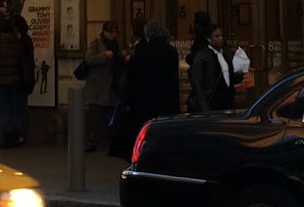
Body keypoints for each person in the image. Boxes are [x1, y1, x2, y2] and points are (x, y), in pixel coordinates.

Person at [118, 20, 179, 157]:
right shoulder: (171, 51)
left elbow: (134, 74)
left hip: (145, 97)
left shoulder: (143, 49)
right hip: (166, 98)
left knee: (146, 130)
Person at [0, 15, 33, 148]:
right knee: (15, 110)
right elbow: (23, 61)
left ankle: (8, 138)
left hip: (2, 81)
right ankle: (16, 137)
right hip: (15, 80)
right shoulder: (18, 43)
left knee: (5, 111)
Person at [82, 20, 125, 152]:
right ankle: (92, 141)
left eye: (115, 33)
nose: (114, 35)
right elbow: (88, 59)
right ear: (105, 32)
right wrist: (104, 56)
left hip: (112, 85)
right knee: (95, 115)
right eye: (111, 33)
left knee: (111, 115)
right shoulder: (96, 43)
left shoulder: (116, 44)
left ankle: (111, 140)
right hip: (98, 86)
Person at [189, 23, 236, 112]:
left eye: (222, 36)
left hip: (227, 99)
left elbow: (229, 76)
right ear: (209, 39)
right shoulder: (202, 57)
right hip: (211, 100)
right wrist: (204, 106)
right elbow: (196, 83)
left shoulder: (226, 54)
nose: (221, 38)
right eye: (217, 36)